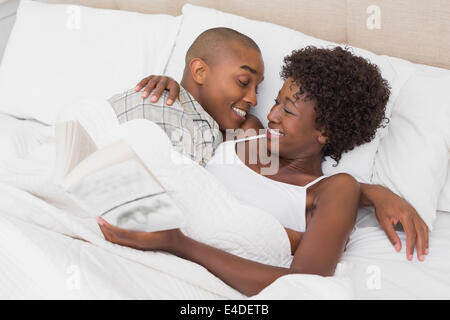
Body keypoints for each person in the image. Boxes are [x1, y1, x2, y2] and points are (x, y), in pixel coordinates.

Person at [97, 46, 428, 296]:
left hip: (180, 260)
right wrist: (172, 87)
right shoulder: (249, 129)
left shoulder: (334, 189)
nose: (271, 114)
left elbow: (304, 285)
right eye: (276, 102)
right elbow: (193, 122)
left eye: (287, 109)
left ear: (324, 132)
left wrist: (179, 244)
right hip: (144, 225)